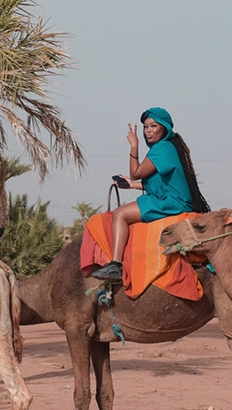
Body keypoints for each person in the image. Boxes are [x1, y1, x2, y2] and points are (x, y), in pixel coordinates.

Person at [90, 107, 210, 281]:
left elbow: (136, 172)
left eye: (153, 126)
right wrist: (133, 186)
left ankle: (115, 265)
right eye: (146, 127)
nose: (148, 131)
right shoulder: (167, 148)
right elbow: (162, 184)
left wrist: (134, 146)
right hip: (169, 198)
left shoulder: (162, 148)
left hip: (170, 202)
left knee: (119, 214)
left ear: (164, 128)